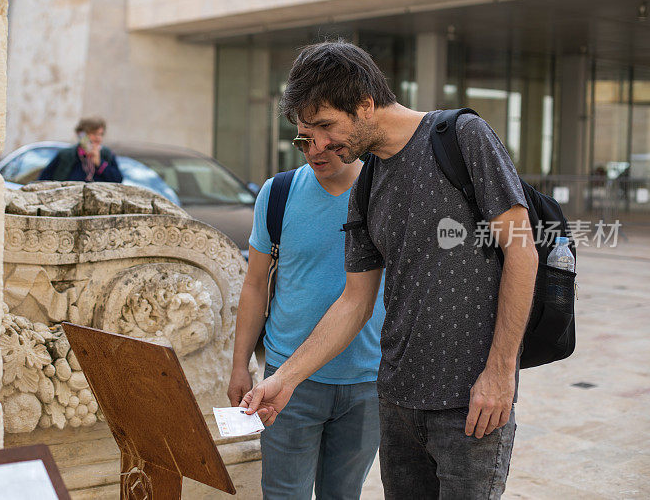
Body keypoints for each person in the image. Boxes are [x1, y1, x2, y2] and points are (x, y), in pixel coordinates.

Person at [241, 41, 538, 499]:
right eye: (307, 133)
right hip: (396, 401)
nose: (316, 145)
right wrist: (284, 379)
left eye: (325, 126)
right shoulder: (369, 182)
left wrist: (501, 373)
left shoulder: (461, 137)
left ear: (364, 103)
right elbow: (354, 302)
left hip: (471, 401)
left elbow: (522, 250)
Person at [228, 131, 386, 498]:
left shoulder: (385, 192)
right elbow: (254, 286)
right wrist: (240, 364)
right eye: (304, 141)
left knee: (343, 494)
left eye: (327, 142)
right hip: (287, 381)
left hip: (366, 381)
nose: (315, 152)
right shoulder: (277, 193)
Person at [39, 117, 123, 183]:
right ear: (81, 135)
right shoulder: (66, 155)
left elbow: (118, 180)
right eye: (93, 134)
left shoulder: (107, 155)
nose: (98, 138)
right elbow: (43, 179)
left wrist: (99, 163)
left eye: (100, 134)